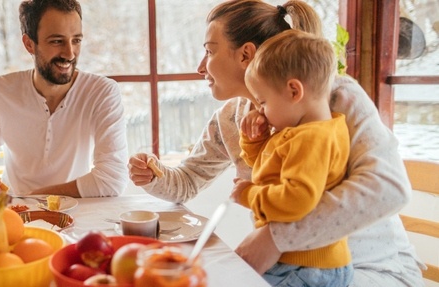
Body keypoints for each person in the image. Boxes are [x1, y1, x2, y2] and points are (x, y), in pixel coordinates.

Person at [127, 1, 424, 286]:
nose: (200, 66)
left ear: (245, 55)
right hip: (295, 268)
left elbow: (389, 189)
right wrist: (155, 176)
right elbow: (187, 181)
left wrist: (275, 239)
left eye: (209, 51)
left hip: (370, 269)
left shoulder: (331, 96)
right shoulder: (232, 118)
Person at [0, 0, 128, 198]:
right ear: (29, 44)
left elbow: (112, 179)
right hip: (17, 214)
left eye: (76, 40)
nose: (69, 53)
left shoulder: (103, 92)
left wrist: (33, 198)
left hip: (79, 212)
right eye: (57, 41)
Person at [231, 29, 352, 286]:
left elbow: (297, 198)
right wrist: (254, 139)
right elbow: (266, 166)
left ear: (294, 91)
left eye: (263, 102)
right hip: (298, 260)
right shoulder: (299, 132)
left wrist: (248, 195)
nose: (260, 110)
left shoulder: (311, 138)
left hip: (307, 265)